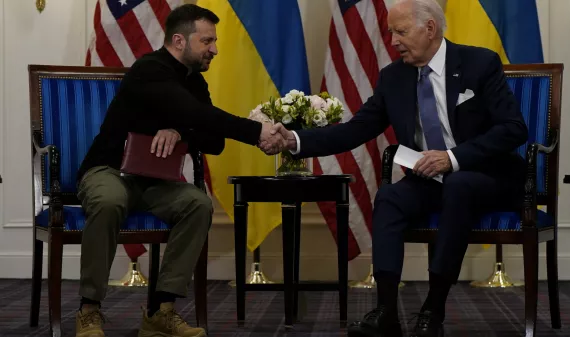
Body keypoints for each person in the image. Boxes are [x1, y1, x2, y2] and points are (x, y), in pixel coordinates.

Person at [266, 0, 528, 336]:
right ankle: (386, 310)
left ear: (429, 28)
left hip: (488, 175)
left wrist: (454, 157)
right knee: (389, 196)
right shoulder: (394, 77)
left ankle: (433, 308)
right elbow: (355, 129)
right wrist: (295, 141)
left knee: (459, 186)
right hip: (432, 180)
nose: (392, 41)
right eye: (391, 32)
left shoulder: (479, 63)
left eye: (400, 31)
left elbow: (513, 128)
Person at [75, 5, 282, 337]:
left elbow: (214, 141)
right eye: (207, 41)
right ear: (178, 40)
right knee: (110, 201)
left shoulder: (195, 81)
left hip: (154, 183)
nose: (214, 49)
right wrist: (256, 132)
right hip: (107, 171)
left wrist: (179, 132)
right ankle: (89, 310)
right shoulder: (149, 70)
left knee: (197, 204)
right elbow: (190, 111)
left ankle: (160, 311)